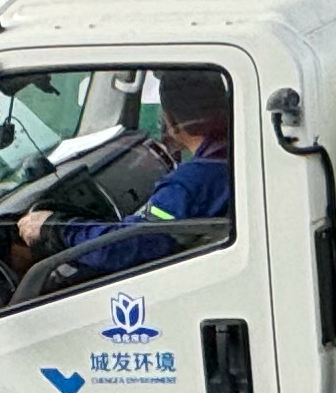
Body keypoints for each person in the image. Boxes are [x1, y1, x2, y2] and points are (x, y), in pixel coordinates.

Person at [16, 73, 234, 288]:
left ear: (171, 120)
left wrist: (56, 228)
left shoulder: (189, 185)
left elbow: (128, 247)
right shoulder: (233, 157)